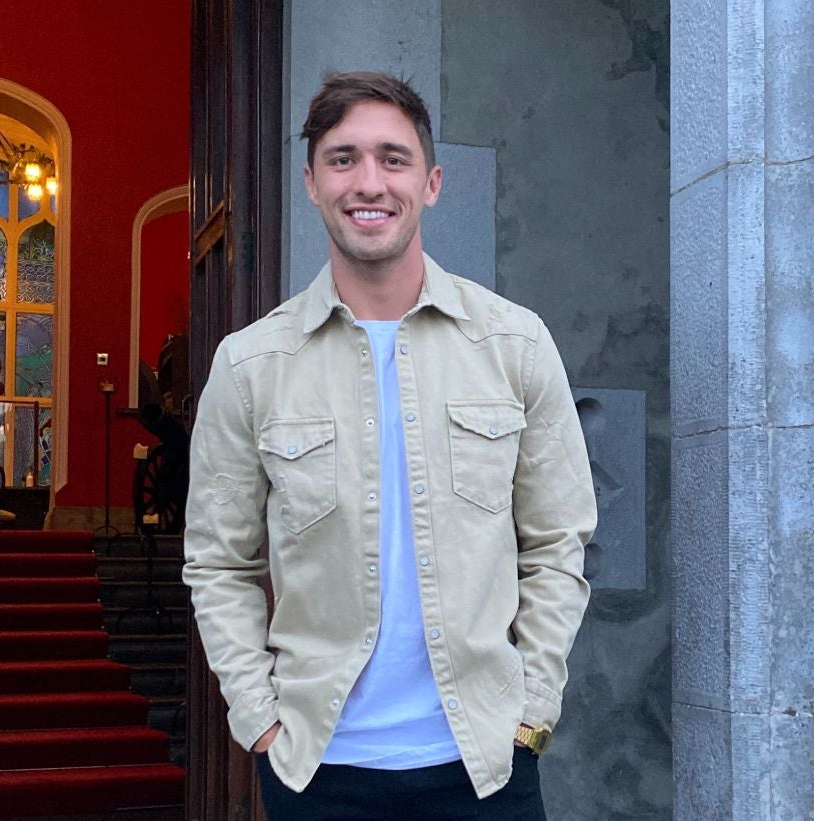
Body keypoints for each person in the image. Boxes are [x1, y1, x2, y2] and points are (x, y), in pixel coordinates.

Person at [182, 71, 596, 820]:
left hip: (486, 765)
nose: (368, 182)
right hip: (318, 770)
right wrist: (259, 718)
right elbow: (219, 562)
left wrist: (533, 708)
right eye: (342, 159)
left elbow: (557, 542)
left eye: (393, 158)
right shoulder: (250, 365)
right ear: (311, 182)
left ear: (431, 183)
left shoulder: (515, 345)